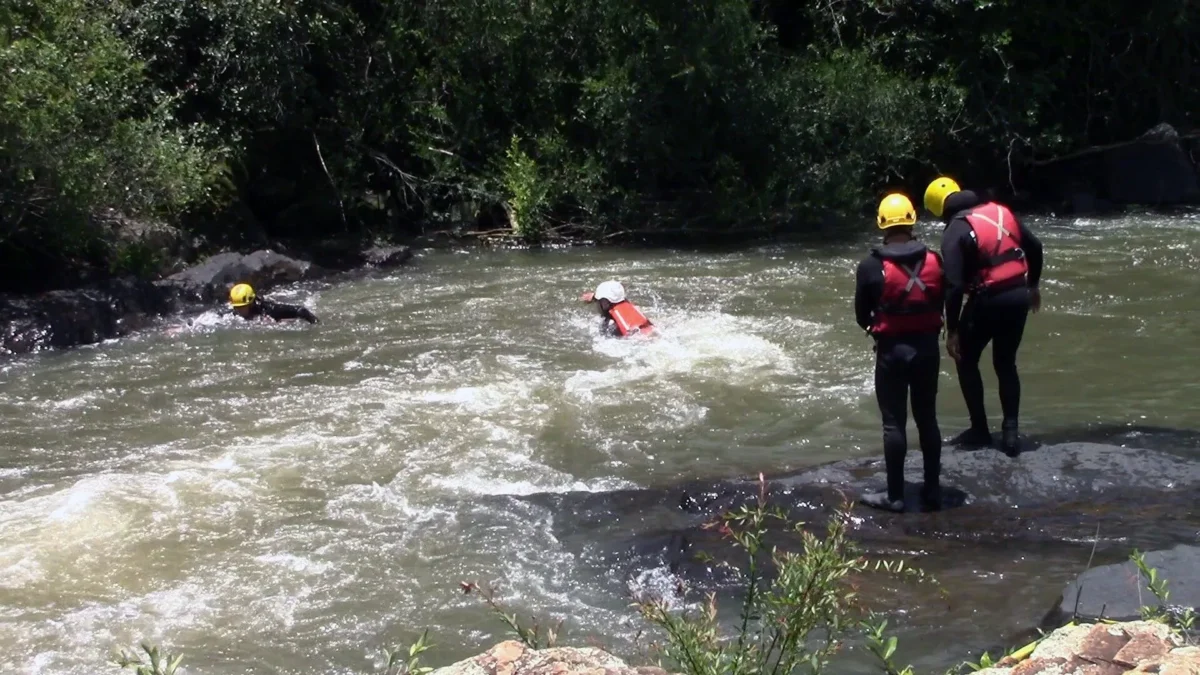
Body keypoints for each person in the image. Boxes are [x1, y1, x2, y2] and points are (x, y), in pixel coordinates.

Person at [923, 176, 1043, 456]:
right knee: (1006, 363)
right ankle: (1010, 433)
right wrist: (1033, 286)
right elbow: (1035, 247)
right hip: (1018, 294)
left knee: (965, 358)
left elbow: (952, 285)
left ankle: (979, 429)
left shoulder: (956, 228)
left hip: (988, 300)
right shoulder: (1001, 211)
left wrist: (952, 330)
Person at [854, 193, 945, 513]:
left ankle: (895, 496)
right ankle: (932, 491)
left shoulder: (870, 266)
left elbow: (861, 316)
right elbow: (942, 299)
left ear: (881, 223)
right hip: (927, 349)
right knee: (927, 418)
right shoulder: (935, 259)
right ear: (912, 220)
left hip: (892, 352)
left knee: (894, 423)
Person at [580, 280, 654, 337]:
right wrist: (594, 297)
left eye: (598, 301)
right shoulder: (629, 307)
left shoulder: (610, 326)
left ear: (604, 304)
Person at [228, 283, 319, 324]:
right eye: (236, 307)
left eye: (242, 307)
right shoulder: (235, 314)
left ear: (251, 303)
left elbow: (301, 310)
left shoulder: (270, 310)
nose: (238, 310)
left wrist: (315, 323)